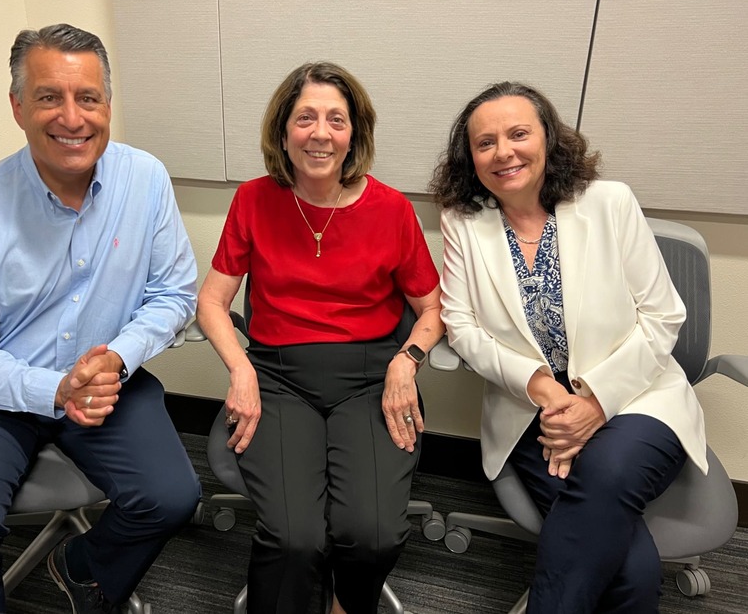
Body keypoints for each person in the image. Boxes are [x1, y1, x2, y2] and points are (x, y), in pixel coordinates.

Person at [0, 23, 201, 614]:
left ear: (107, 105)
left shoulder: (144, 179)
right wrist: (56, 387)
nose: (72, 117)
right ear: (18, 107)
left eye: (87, 97)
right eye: (50, 97)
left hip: (103, 381)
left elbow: (173, 293)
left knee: (173, 495)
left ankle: (84, 569)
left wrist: (116, 357)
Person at [430, 81, 707, 613]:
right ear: (470, 156)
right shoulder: (463, 221)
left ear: (548, 139)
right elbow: (461, 326)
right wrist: (541, 388)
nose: (503, 152)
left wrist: (594, 403)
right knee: (632, 572)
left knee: (604, 473)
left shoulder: (608, 203)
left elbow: (664, 314)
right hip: (534, 413)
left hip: (637, 400)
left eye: (518, 134)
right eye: (484, 142)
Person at [197, 62, 444, 614]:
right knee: (292, 537)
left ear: (354, 133)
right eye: (305, 117)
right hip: (279, 378)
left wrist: (406, 363)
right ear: (283, 132)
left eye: (336, 119)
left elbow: (431, 308)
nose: (320, 132)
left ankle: (344, 604)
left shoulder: (392, 209)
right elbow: (211, 301)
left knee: (373, 532)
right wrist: (241, 369)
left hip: (372, 379)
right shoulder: (254, 200)